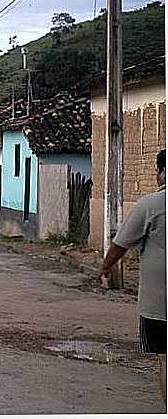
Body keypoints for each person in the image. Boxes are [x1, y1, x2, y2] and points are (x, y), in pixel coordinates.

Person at [100, 149, 166, 402]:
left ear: (161, 172)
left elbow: (121, 244)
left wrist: (106, 266)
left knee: (165, 357)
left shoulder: (151, 205)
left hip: (160, 302)